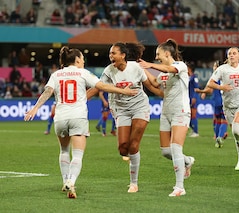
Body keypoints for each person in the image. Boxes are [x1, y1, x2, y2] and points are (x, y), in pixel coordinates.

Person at [24, 46, 137, 199]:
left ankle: (65, 181)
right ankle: (71, 181)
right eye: (82, 59)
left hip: (60, 118)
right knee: (77, 155)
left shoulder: (56, 74)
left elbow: (47, 92)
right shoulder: (83, 73)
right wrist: (124, 91)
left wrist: (35, 109)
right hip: (78, 117)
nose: (83, 62)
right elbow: (102, 86)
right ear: (77, 60)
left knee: (64, 151)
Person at [87, 42, 162, 194]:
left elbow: (150, 85)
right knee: (123, 149)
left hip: (139, 106)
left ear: (123, 55)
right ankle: (131, 156)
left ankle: (133, 183)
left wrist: (166, 95)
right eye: (110, 53)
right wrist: (79, 99)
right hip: (121, 109)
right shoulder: (109, 71)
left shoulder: (135, 67)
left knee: (134, 145)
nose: (111, 56)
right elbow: (97, 87)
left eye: (113, 53)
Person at [139, 39, 195, 197]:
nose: (157, 57)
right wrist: (142, 69)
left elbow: (169, 68)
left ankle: (179, 187)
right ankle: (187, 161)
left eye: (158, 54)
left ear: (166, 53)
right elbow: (154, 84)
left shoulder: (180, 66)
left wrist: (150, 65)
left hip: (181, 111)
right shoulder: (164, 73)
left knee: (176, 147)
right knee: (165, 151)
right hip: (166, 113)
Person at [201, 47, 239, 171]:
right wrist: (222, 87)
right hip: (228, 106)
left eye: (234, 53)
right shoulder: (222, 69)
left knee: (236, 130)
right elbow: (210, 84)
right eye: (229, 54)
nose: (232, 55)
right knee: (237, 131)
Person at [196, 60, 228, 148]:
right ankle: (219, 137)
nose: (213, 67)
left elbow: (209, 89)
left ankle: (217, 137)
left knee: (217, 120)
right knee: (224, 121)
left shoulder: (215, 76)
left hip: (217, 101)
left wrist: (201, 91)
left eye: (214, 66)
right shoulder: (226, 76)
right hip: (224, 101)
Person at [187, 62, 200, 137]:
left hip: (193, 99)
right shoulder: (187, 77)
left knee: (193, 116)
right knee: (187, 116)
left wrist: (194, 97)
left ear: (189, 69)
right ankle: (193, 129)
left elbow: (197, 89)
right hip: (187, 99)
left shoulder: (194, 77)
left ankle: (196, 132)